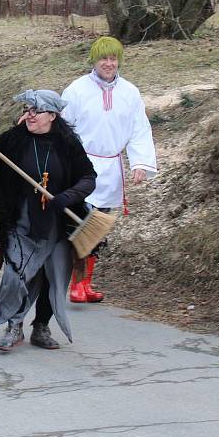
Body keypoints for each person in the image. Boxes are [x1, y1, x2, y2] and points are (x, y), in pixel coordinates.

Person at [0, 90, 96, 352]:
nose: (29, 115)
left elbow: (88, 178)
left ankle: (41, 327)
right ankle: (14, 327)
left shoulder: (67, 142)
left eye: (35, 111)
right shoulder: (14, 139)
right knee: (15, 276)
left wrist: (67, 196)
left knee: (53, 278)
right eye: (27, 110)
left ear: (52, 115)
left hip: (58, 225)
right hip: (23, 222)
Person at [61, 36, 157, 303]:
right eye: (104, 58)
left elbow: (140, 129)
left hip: (112, 167)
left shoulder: (130, 92)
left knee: (100, 226)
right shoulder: (77, 90)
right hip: (81, 167)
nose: (108, 63)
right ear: (95, 60)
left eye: (113, 58)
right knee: (81, 224)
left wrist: (140, 163)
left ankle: (86, 283)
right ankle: (75, 283)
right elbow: (63, 129)